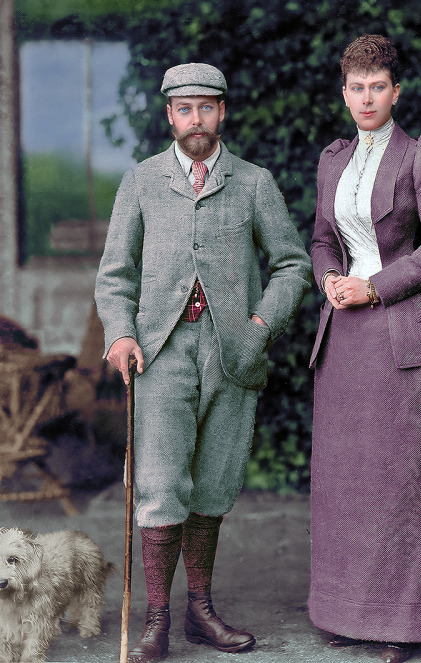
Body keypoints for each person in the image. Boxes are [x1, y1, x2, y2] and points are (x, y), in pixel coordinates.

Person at [95, 62, 312, 662]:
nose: (196, 120)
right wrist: (119, 335)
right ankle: (157, 619)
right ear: (169, 115)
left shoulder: (253, 183)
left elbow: (292, 264)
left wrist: (259, 326)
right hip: (159, 354)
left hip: (231, 355)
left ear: (223, 112)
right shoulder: (140, 182)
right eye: (184, 109)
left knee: (214, 485)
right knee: (161, 486)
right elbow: (115, 275)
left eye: (207, 108)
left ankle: (200, 611)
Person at [308, 35, 421, 663]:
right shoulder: (333, 159)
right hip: (345, 339)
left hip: (411, 336)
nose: (366, 98)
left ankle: (408, 624)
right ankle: (350, 613)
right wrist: (329, 279)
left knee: (406, 482)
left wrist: (373, 286)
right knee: (349, 482)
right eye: (356, 87)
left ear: (396, 90)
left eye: (378, 86)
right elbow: (322, 238)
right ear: (343, 92)